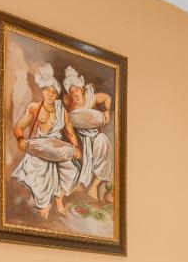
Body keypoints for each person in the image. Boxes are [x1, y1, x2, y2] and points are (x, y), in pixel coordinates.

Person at [10, 64, 81, 218]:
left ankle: (59, 199)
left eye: (54, 91)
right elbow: (18, 128)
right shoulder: (34, 107)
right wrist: (21, 138)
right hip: (39, 147)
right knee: (42, 166)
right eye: (48, 90)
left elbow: (70, 133)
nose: (51, 94)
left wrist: (75, 148)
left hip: (58, 147)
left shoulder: (62, 110)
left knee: (69, 168)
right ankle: (44, 203)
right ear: (42, 90)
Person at [63, 66, 115, 202]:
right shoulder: (71, 111)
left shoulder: (91, 98)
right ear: (70, 94)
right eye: (72, 91)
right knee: (86, 158)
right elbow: (69, 131)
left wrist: (107, 111)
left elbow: (107, 98)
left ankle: (94, 186)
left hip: (96, 135)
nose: (75, 93)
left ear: (82, 90)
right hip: (84, 140)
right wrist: (75, 147)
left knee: (103, 142)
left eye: (77, 90)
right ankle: (81, 185)